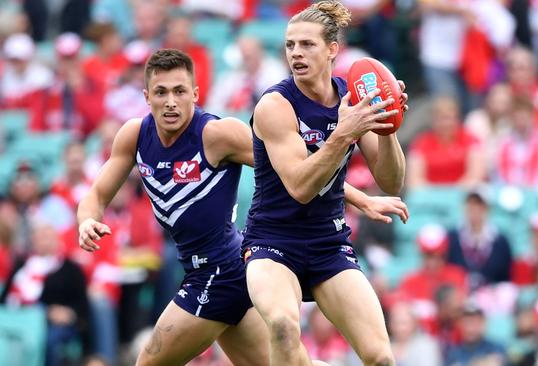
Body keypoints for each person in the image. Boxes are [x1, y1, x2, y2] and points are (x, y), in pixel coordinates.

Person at [77, 48, 405, 365]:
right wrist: (87, 220)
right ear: (147, 97)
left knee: (148, 362)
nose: (171, 101)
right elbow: (97, 194)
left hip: (220, 271)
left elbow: (297, 169)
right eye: (161, 92)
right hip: (213, 270)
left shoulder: (219, 134)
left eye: (179, 90)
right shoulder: (134, 135)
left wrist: (362, 199)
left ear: (195, 92)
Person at [241, 1, 408, 365]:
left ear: (333, 49)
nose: (296, 53)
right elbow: (300, 187)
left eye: (307, 44)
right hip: (273, 242)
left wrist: (387, 126)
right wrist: (343, 134)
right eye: (290, 45)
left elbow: (391, 180)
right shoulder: (275, 105)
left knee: (381, 357)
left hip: (328, 243)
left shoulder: (351, 100)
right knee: (284, 327)